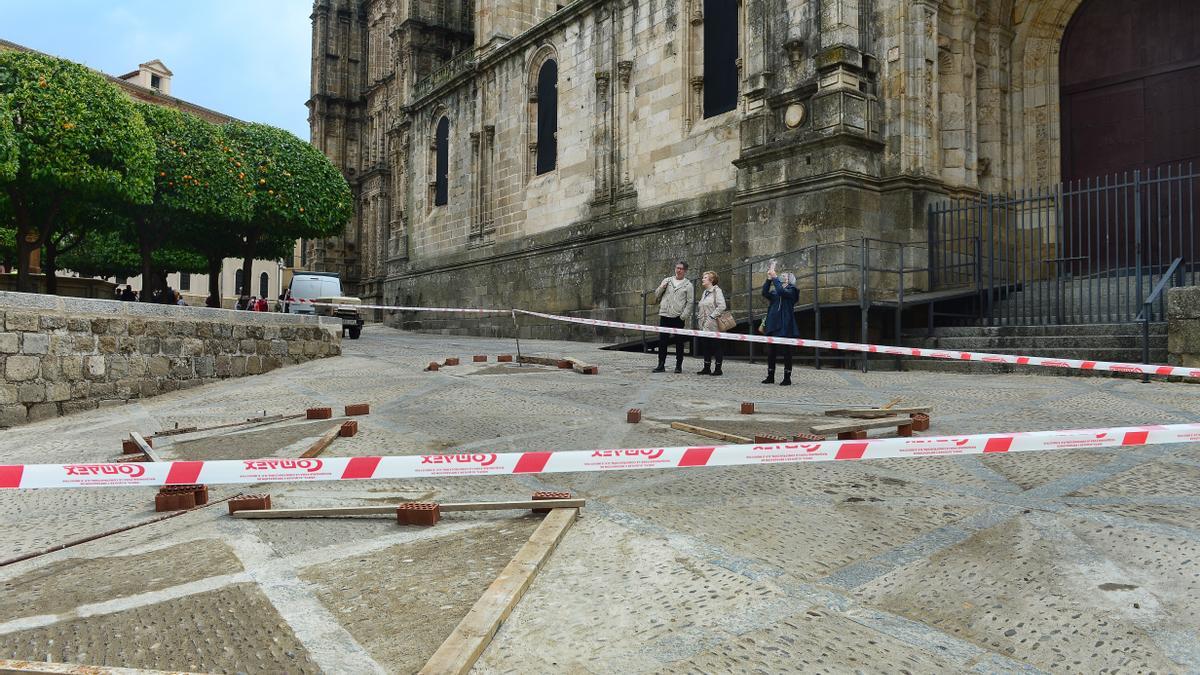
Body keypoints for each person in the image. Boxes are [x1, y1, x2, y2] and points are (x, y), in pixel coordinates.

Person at [651, 261, 694, 373]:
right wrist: (661, 287)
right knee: (662, 341)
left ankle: (678, 365)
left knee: (679, 342)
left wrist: (683, 316)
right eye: (677, 268)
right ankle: (661, 364)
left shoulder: (688, 285)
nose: (678, 270)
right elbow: (656, 294)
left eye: (681, 269)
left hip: (678, 317)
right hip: (665, 314)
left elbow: (690, 303)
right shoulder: (667, 280)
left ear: (685, 271)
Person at [761, 266, 799, 386]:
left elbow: (783, 292)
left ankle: (787, 377)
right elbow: (765, 293)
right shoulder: (776, 290)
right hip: (773, 324)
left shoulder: (792, 290)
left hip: (785, 324)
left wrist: (775, 277)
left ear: (789, 279)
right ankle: (770, 376)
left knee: (786, 351)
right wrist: (768, 280)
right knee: (771, 351)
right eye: (781, 275)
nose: (782, 277)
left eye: (785, 276)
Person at [695, 271, 727, 376]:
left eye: (705, 277)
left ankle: (718, 369)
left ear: (711, 280)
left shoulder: (717, 291)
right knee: (706, 346)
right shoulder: (705, 292)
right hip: (703, 324)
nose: (702, 279)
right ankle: (706, 367)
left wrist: (712, 316)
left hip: (713, 324)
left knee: (716, 346)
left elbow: (722, 306)